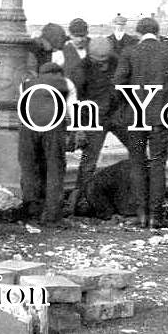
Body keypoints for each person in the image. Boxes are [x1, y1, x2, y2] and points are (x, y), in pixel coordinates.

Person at [113, 17, 168, 229]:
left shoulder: (129, 52)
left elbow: (118, 83)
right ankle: (157, 216)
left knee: (137, 163)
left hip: (136, 119)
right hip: (160, 119)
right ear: (157, 32)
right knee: (158, 164)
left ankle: (141, 215)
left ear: (138, 33)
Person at [72, 36, 127, 215]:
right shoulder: (80, 71)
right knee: (88, 163)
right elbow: (74, 101)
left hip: (116, 114)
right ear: (90, 57)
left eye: (106, 61)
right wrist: (79, 128)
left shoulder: (117, 61)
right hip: (92, 119)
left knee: (139, 149)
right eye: (99, 62)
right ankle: (81, 201)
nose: (103, 65)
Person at [19, 62, 71, 225]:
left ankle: (32, 209)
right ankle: (52, 215)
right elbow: (71, 108)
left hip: (28, 127)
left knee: (29, 167)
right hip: (53, 126)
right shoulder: (66, 84)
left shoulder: (26, 84)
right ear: (58, 73)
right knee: (55, 167)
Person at [62, 18, 90, 89]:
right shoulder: (62, 51)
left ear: (87, 34)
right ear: (70, 35)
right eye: (76, 36)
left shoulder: (93, 48)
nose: (79, 40)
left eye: (82, 36)